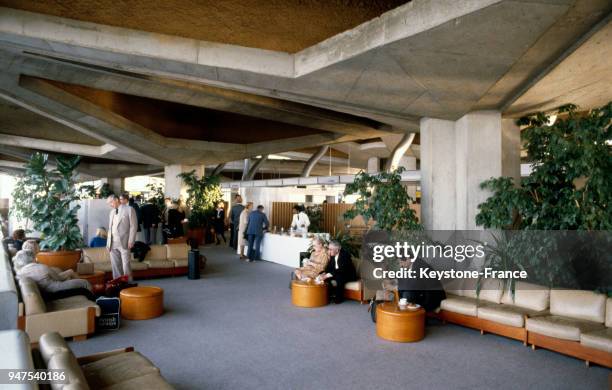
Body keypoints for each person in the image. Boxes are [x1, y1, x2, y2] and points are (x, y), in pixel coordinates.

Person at [13, 249, 95, 301]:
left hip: (46, 292)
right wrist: (69, 272)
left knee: (70, 275)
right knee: (85, 282)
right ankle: (95, 300)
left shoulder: (20, 272)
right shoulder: (41, 267)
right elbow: (59, 278)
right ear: (33, 258)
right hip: (55, 289)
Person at [107, 194, 137, 281]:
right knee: (115, 265)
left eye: (111, 202)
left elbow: (133, 226)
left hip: (125, 241)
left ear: (116, 200)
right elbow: (110, 228)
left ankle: (129, 284)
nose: (110, 205)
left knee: (126, 265)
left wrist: (131, 240)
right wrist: (108, 243)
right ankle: (118, 284)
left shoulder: (129, 209)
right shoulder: (112, 212)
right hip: (112, 242)